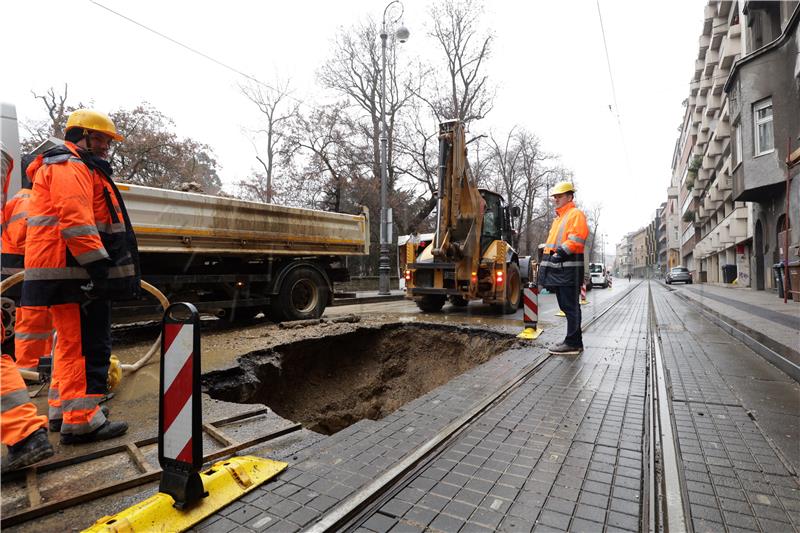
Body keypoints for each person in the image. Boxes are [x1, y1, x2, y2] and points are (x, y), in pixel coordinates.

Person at [21, 109, 140, 444]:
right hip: (72, 270)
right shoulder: (69, 165)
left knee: (71, 344)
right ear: (81, 135)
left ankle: (63, 410)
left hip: (65, 269)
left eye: (107, 140)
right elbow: (76, 221)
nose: (105, 146)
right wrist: (98, 268)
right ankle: (83, 420)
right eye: (100, 138)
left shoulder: (69, 164)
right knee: (86, 346)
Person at [1, 143, 54, 472]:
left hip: (16, 271)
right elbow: (28, 237)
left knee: (28, 330)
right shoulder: (28, 199)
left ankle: (25, 433)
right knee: (34, 327)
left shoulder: (18, 200)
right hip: (22, 270)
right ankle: (35, 372)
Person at [2, 155, 55, 374]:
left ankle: (37, 366)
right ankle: (28, 368)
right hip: (22, 269)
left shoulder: (22, 198)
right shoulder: (29, 200)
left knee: (36, 323)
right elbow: (23, 238)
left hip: (21, 269)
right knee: (32, 323)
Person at [538, 181, 589, 355]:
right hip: (561, 271)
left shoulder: (575, 214)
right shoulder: (559, 218)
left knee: (570, 306)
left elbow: (576, 240)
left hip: (568, 270)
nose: (556, 199)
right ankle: (572, 341)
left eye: (560, 196)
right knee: (567, 306)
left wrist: (558, 254)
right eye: (555, 197)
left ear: (570, 196)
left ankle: (573, 343)